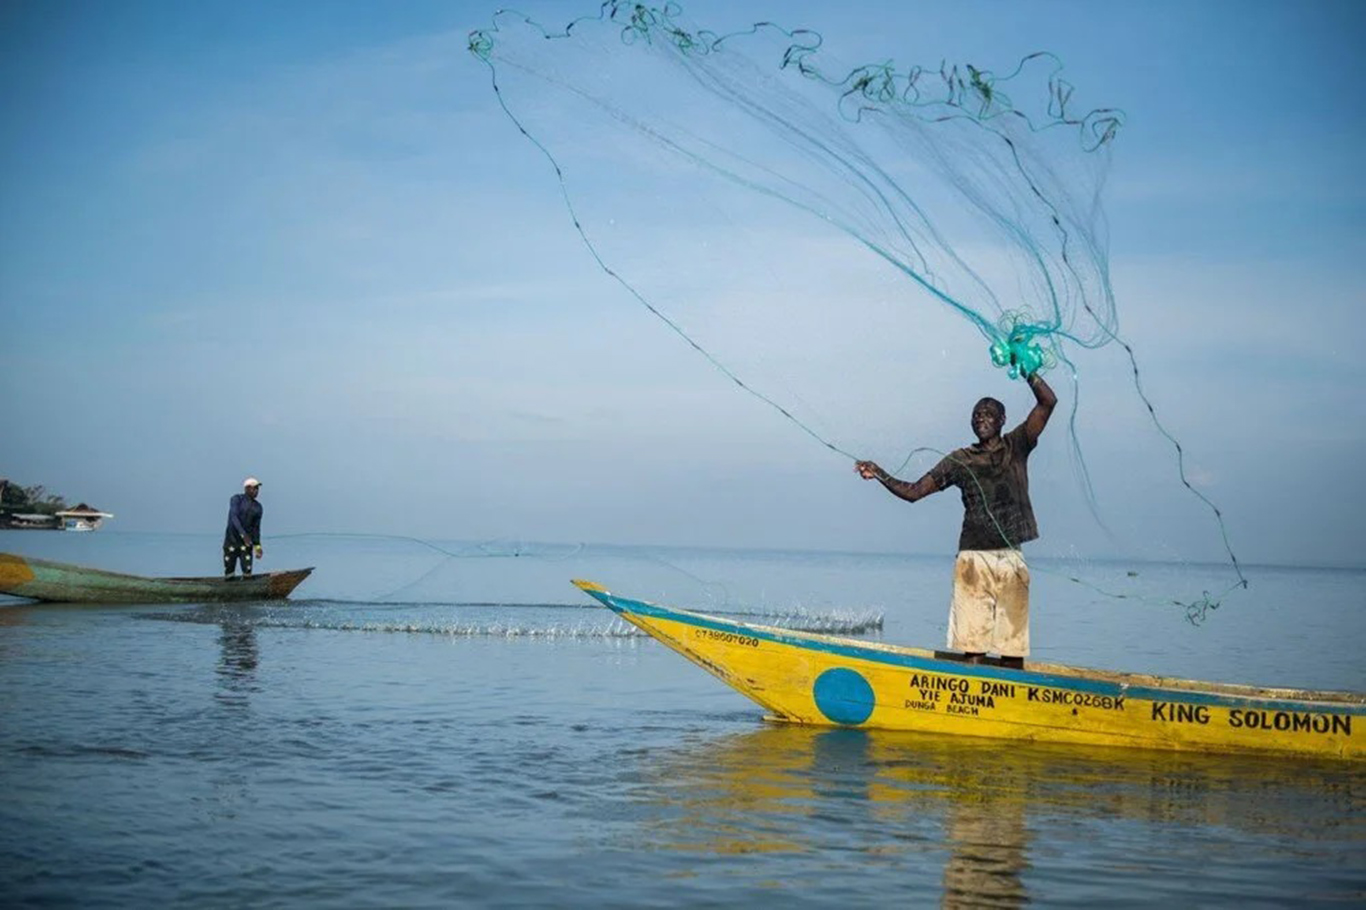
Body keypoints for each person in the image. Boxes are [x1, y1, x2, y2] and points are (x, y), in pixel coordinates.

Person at [855, 371, 1056, 670]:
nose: (980, 419)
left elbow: (1048, 402)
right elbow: (913, 493)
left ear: (1002, 420)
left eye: (988, 414)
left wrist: (1026, 368)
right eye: (976, 416)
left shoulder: (1017, 444)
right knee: (972, 649)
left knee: (1012, 651)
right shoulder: (960, 460)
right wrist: (879, 472)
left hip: (1012, 559)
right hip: (972, 561)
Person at [223, 477, 264, 578]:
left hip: (246, 545)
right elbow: (234, 517)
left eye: (257, 489)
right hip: (231, 543)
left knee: (247, 572)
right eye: (254, 488)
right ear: (247, 489)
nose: (256, 491)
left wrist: (258, 547)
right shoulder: (236, 499)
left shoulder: (258, 507)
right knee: (229, 574)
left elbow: (256, 528)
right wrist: (243, 534)